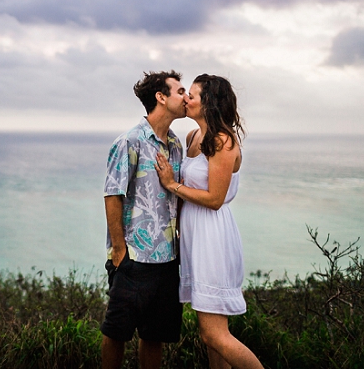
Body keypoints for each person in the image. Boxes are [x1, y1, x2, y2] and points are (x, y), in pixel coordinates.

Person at [154, 74, 262, 369]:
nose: (186, 99)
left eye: (192, 95)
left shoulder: (223, 141)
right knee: (211, 339)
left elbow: (215, 199)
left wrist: (171, 184)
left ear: (209, 102)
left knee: (214, 334)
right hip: (194, 237)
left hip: (212, 237)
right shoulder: (193, 137)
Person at [101, 70, 187, 369]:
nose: (185, 97)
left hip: (167, 258)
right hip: (134, 258)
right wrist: (119, 251)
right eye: (180, 91)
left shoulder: (176, 144)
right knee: (117, 332)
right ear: (161, 97)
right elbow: (112, 194)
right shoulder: (130, 141)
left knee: (155, 336)